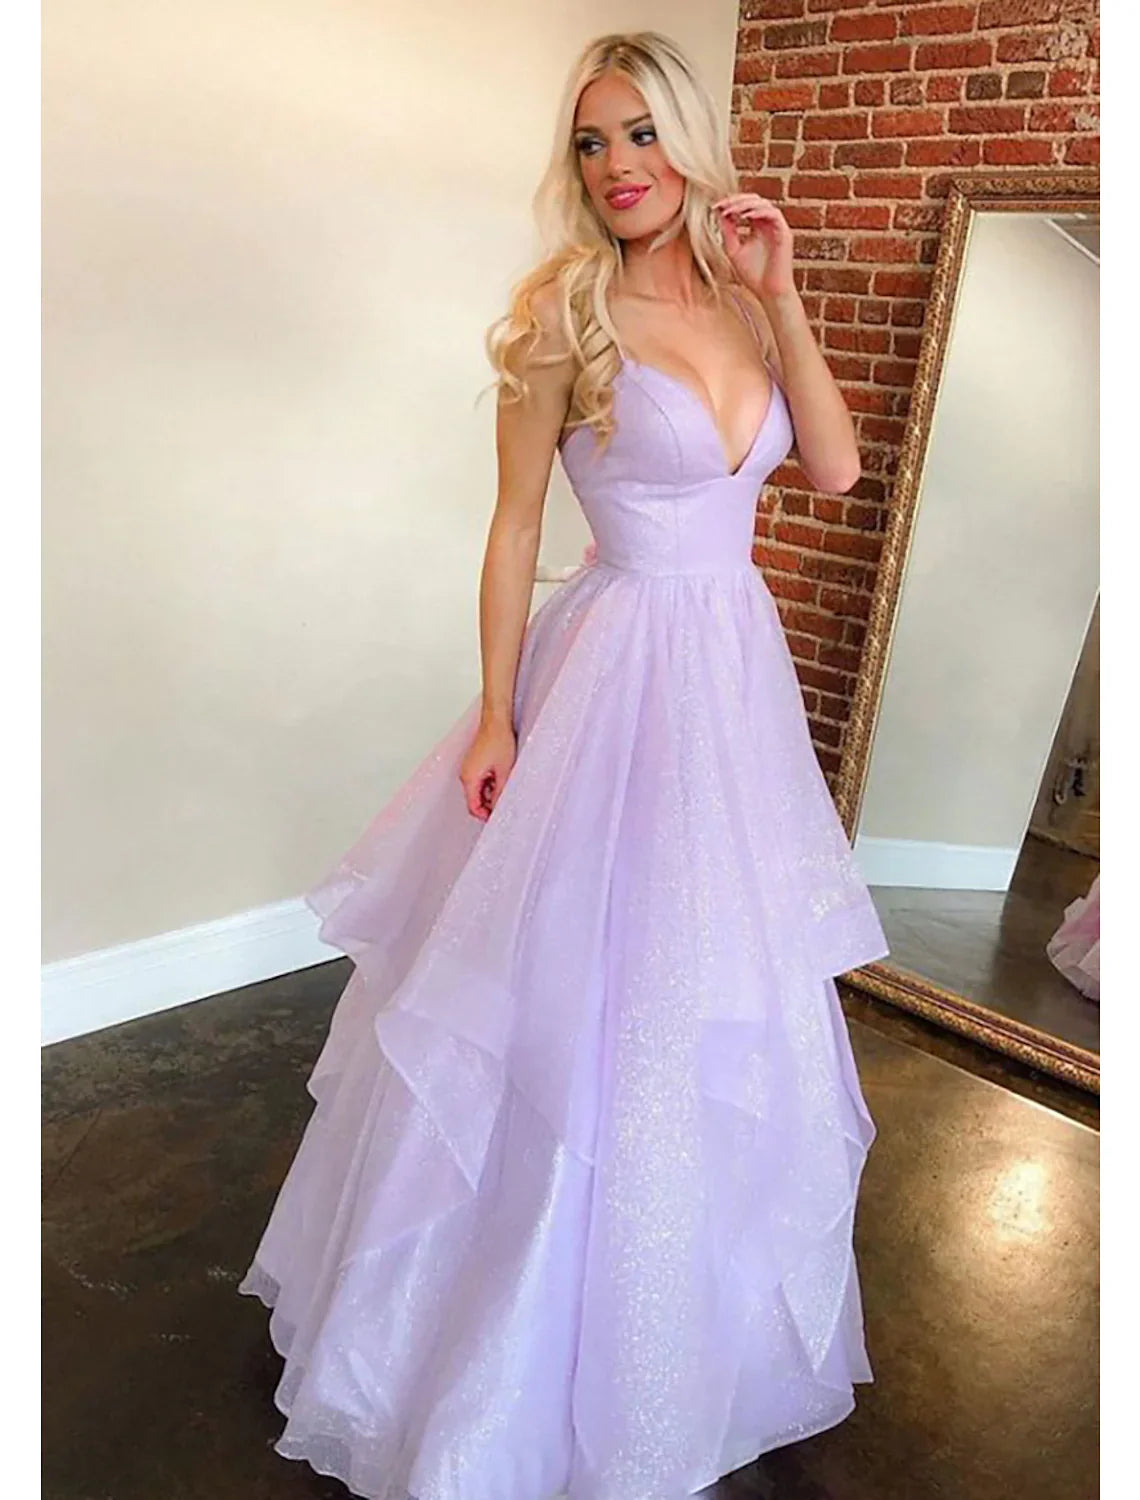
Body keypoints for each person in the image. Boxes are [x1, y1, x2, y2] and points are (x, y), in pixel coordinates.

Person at [239, 30, 890, 1500]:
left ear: (690, 145)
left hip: (731, 679)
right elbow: (519, 522)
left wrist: (786, 294)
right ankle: (505, 1343)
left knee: (701, 982)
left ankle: (675, 1325)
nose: (616, 167)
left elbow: (838, 468)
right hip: (609, 670)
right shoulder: (563, 313)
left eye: (641, 135)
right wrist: (493, 710)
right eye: (592, 143)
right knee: (573, 992)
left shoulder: (748, 301)